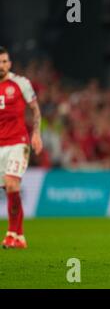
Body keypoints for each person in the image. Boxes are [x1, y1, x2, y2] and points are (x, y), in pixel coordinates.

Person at [0, 46, 43, 249]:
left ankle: (11, 234)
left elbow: (35, 110)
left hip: (18, 142)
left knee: (11, 184)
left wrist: (36, 134)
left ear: (10, 63)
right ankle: (20, 237)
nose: (3, 65)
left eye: (5, 61)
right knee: (9, 189)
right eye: (0, 62)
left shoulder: (20, 83)